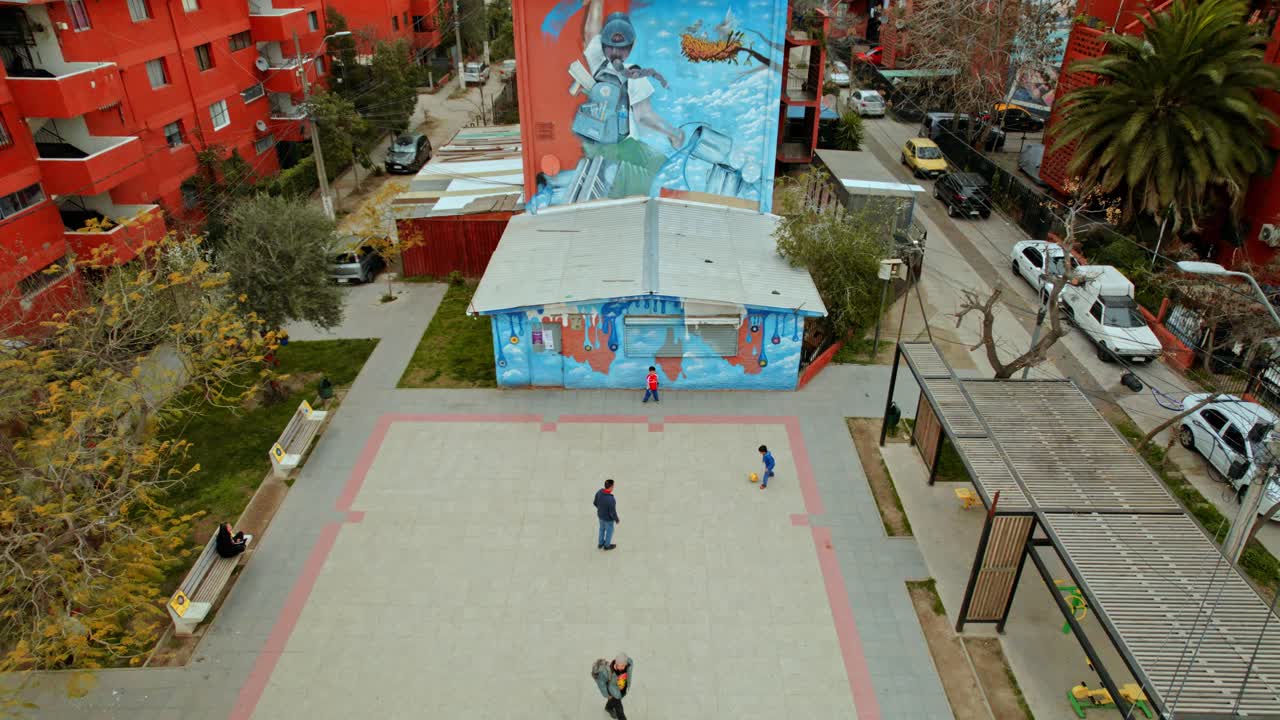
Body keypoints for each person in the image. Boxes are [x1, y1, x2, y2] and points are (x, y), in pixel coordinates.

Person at [591, 653, 634, 719]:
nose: (621, 667)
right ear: (616, 663)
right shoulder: (607, 672)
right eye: (619, 665)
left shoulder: (627, 666)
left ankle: (608, 708)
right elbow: (602, 685)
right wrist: (607, 695)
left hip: (618, 688)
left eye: (623, 665)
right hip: (611, 690)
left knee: (612, 700)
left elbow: (628, 673)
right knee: (619, 708)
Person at [593, 479, 619, 550]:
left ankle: (600, 543)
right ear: (610, 487)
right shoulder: (611, 499)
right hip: (608, 519)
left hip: (600, 516)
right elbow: (612, 513)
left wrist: (601, 509)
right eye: (613, 486)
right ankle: (607, 546)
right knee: (609, 531)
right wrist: (616, 519)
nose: (613, 487)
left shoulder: (599, 492)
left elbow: (595, 503)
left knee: (601, 529)